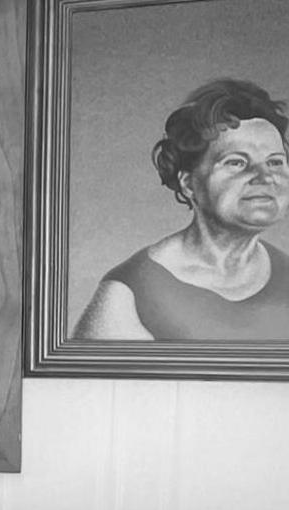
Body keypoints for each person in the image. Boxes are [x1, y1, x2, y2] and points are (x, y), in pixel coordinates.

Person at [74, 78, 289, 341]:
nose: (265, 177)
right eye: (236, 162)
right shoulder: (129, 296)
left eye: (275, 162)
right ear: (188, 184)